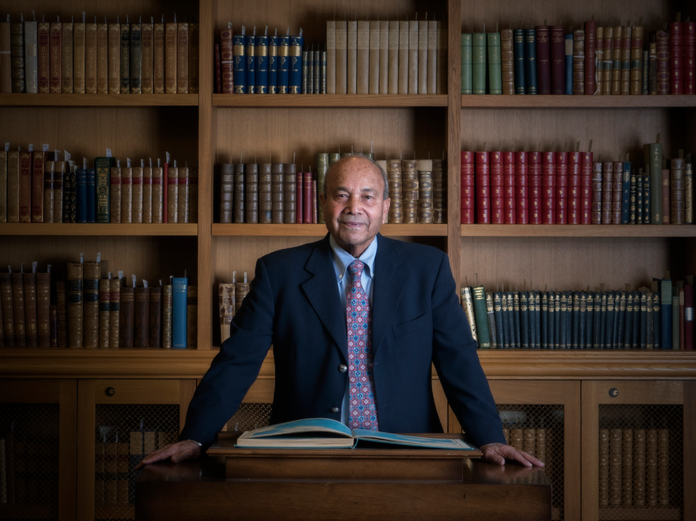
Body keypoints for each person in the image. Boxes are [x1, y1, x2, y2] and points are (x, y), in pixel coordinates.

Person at [137, 155, 543, 469]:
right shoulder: (278, 272)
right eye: (341, 194)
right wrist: (195, 437)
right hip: (306, 449)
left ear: (385, 207)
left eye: (367, 195)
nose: (355, 207)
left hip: (408, 448)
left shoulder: (427, 268)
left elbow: (459, 359)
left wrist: (490, 437)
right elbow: (237, 361)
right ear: (324, 204)